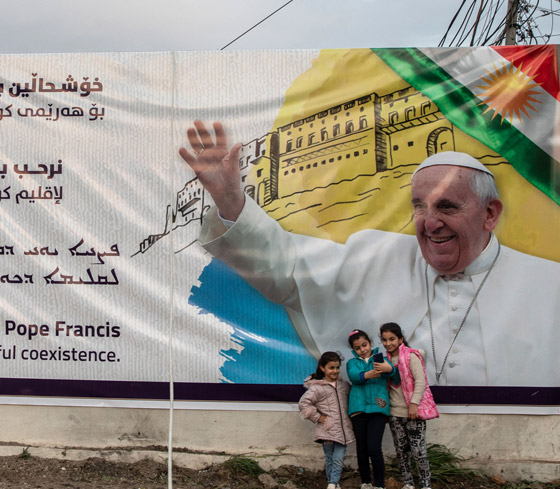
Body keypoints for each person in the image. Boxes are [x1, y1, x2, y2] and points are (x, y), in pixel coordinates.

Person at [180, 121, 560, 387]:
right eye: (420, 207)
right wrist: (229, 199)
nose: (430, 224)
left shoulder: (550, 285)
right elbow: (289, 267)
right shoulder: (376, 254)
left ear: (489, 214)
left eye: (447, 208)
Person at [380, 322, 438, 489]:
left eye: (392, 339)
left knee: (418, 450)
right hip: (394, 414)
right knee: (401, 451)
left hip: (413, 413)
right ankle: (408, 484)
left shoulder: (411, 357)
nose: (388, 343)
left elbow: (421, 382)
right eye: (384, 339)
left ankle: (426, 486)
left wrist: (414, 404)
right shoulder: (384, 361)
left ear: (400, 339)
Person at [298, 351, 355, 489]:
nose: (335, 371)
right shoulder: (317, 388)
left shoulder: (344, 386)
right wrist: (318, 417)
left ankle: (332, 485)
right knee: (331, 458)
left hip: (343, 431)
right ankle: (333, 486)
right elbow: (304, 403)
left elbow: (353, 400)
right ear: (323, 368)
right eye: (331, 368)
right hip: (328, 429)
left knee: (338, 458)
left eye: (337, 367)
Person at [346, 329, 394, 489]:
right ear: (353, 349)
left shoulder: (380, 358)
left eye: (364, 345)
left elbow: (392, 373)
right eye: (357, 348)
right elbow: (353, 376)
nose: (363, 350)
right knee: (362, 449)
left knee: (374, 448)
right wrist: (366, 375)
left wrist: (388, 368)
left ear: (370, 343)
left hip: (378, 410)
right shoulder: (352, 363)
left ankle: (380, 487)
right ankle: (365, 483)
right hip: (358, 410)